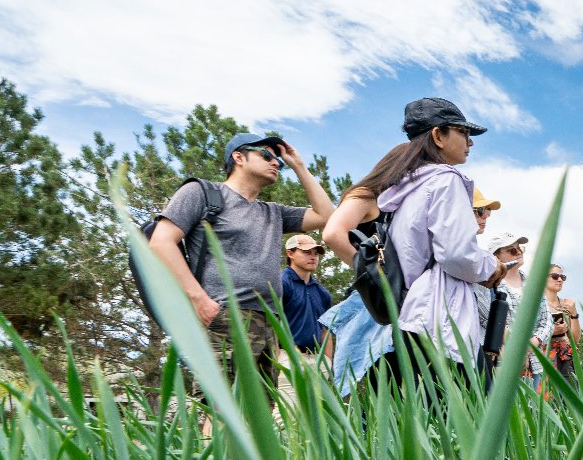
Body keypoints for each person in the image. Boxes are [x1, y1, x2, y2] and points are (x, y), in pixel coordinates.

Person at [150, 133, 334, 408]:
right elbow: (161, 242)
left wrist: (299, 167)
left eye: (279, 160)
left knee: (259, 411)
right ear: (238, 156)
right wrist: (198, 299)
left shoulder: (273, 212)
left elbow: (326, 215)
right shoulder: (201, 193)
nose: (276, 163)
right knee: (222, 407)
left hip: (269, 322)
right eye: (267, 155)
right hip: (225, 314)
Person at [338, 97, 504, 393]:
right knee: (481, 419)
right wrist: (492, 265)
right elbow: (456, 254)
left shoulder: (404, 190)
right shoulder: (446, 181)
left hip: (413, 315)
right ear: (438, 136)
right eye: (463, 132)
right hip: (443, 320)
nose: (470, 142)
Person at [319, 185, 500, 397]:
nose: (484, 217)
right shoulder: (441, 246)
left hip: (426, 330)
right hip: (414, 327)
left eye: (487, 212)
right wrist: (371, 275)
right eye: (479, 211)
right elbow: (332, 233)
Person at [483, 233, 553, 388]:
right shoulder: (490, 285)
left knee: (531, 410)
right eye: (511, 250)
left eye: (519, 248)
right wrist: (517, 347)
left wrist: (532, 343)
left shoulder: (533, 284)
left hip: (533, 363)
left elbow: (547, 320)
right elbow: (492, 320)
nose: (519, 252)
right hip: (502, 361)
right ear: (497, 257)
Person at [278, 234, 333, 405]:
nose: (313, 257)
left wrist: (328, 361)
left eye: (316, 253)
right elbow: (270, 321)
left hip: (317, 360)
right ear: (290, 253)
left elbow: (326, 330)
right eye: (307, 252)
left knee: (316, 420)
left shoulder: (321, 292)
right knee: (287, 417)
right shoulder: (281, 282)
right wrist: (279, 355)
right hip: (289, 358)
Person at [543, 264, 581, 384]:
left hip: (564, 360)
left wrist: (574, 313)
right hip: (542, 360)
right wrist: (552, 331)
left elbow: (574, 340)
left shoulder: (566, 305)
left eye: (562, 277)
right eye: (555, 276)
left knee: (569, 399)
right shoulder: (536, 306)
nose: (559, 280)